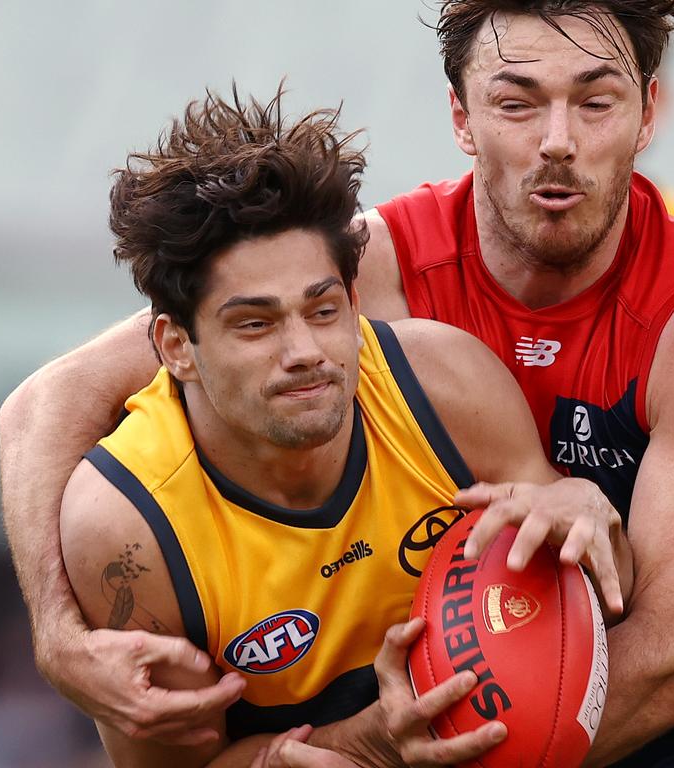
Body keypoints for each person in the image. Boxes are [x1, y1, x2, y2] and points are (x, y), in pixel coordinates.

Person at [0, 2, 674, 766]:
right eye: (516, 102)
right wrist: (59, 636)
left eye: (595, 101)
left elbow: (672, 669)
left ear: (648, 111)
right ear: (462, 118)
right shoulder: (348, 282)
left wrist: (404, 755)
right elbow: (45, 403)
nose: (558, 139)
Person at [53, 88, 629, 767]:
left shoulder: (443, 385)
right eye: (255, 324)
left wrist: (594, 519)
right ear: (176, 346)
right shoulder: (130, 527)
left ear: (354, 300)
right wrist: (360, 747)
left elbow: (602, 598)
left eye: (323, 311)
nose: (304, 350)